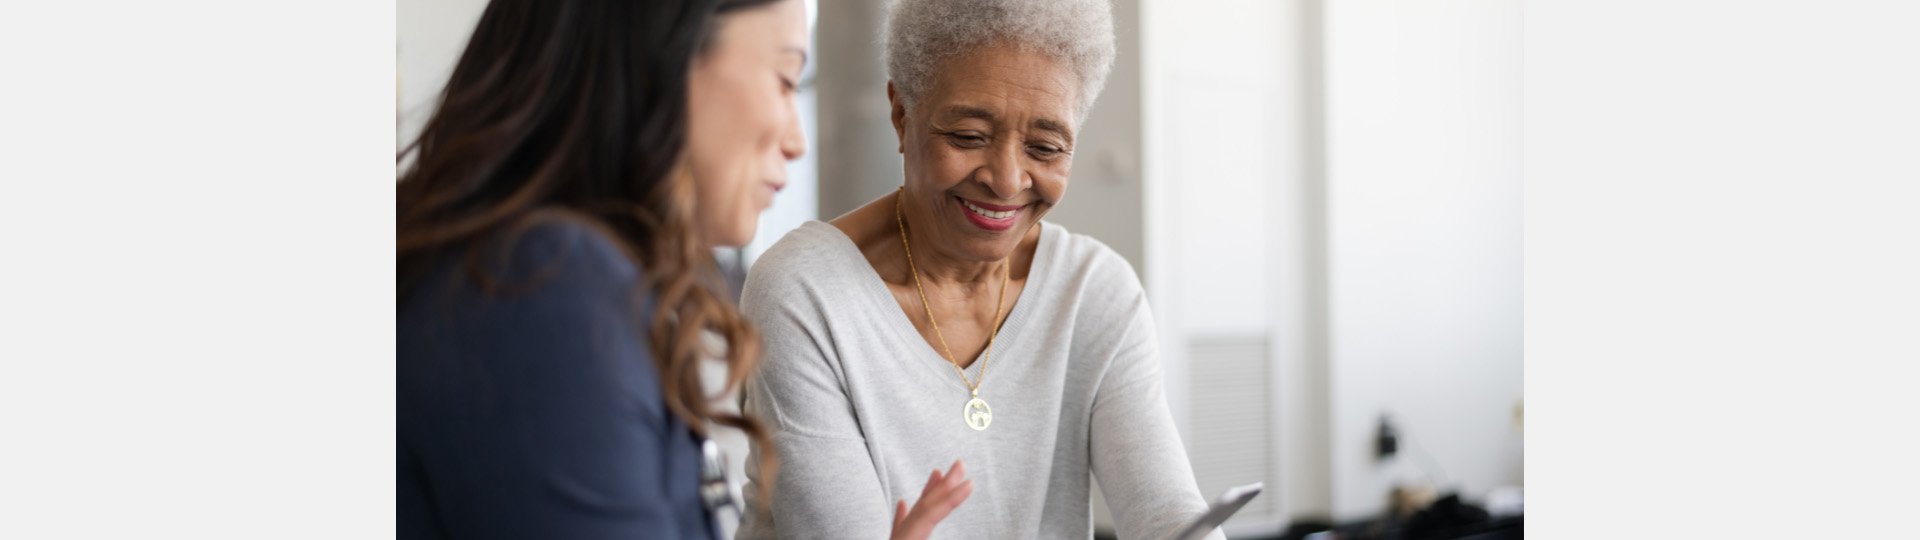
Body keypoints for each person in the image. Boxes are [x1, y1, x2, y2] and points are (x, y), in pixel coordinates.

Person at [736, 0, 1223, 538]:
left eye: (1046, 147)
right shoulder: (805, 292)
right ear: (902, 114)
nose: (1008, 179)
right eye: (968, 136)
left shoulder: (1094, 292)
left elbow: (1166, 512)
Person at [395, 0, 826, 537]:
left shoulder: (549, 276)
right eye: (785, 79)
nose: (796, 140)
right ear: (668, 54)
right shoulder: (544, 287)